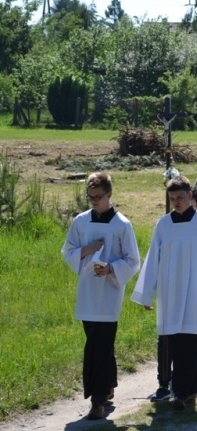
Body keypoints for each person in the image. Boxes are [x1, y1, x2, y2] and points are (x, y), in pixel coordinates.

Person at [132, 176, 197, 411]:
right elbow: (153, 260)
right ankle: (182, 391)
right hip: (170, 292)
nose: (176, 202)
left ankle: (184, 391)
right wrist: (147, 293)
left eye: (180, 197)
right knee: (174, 341)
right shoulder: (163, 225)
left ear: (190, 196)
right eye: (172, 198)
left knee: (192, 342)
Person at [62, 172, 140, 421]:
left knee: (100, 345)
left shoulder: (122, 225)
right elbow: (68, 250)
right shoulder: (81, 221)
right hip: (87, 291)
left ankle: (97, 401)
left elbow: (132, 260)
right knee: (96, 341)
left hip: (109, 292)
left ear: (110, 194)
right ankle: (108, 384)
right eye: (91, 197)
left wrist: (110, 269)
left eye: (98, 197)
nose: (94, 201)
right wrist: (86, 250)